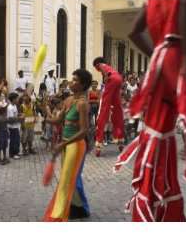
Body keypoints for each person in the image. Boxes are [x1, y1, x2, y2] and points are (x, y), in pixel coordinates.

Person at [114, 0, 186, 221]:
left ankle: (155, 214)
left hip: (160, 64)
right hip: (181, 58)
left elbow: (135, 32)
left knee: (156, 141)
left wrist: (158, 54)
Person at [43, 69, 92, 221]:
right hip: (67, 144)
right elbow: (57, 121)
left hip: (76, 145)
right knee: (71, 177)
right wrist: (44, 113)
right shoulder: (69, 100)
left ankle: (75, 208)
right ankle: (78, 207)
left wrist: (63, 143)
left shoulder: (83, 104)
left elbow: (84, 131)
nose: (71, 82)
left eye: (76, 80)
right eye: (72, 79)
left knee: (69, 177)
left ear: (83, 85)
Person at [93, 57, 125, 156]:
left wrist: (106, 76)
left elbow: (101, 67)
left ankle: (99, 143)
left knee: (104, 109)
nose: (97, 69)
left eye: (96, 67)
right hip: (119, 79)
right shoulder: (111, 67)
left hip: (112, 80)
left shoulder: (102, 65)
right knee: (117, 108)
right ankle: (120, 140)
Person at [0, 100, 13, 165]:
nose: (5, 108)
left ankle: (4, 157)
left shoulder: (4, 114)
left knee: (5, 145)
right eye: (4, 107)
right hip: (0, 132)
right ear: (0, 109)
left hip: (5, 131)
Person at [7, 92, 22, 159]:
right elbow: (11, 118)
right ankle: (13, 153)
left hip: (16, 126)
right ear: (13, 99)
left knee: (17, 139)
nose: (18, 100)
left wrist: (20, 115)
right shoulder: (10, 108)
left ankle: (16, 151)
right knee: (13, 140)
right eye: (17, 99)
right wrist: (19, 118)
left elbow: (16, 114)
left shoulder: (15, 106)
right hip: (12, 127)